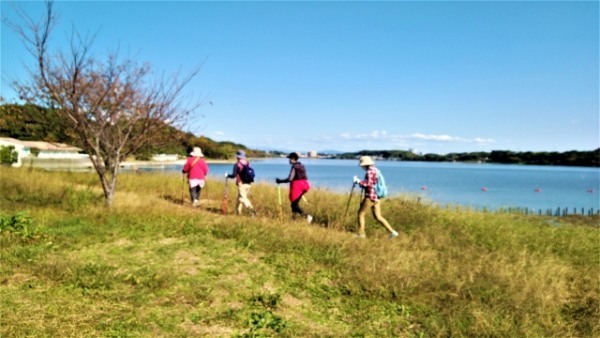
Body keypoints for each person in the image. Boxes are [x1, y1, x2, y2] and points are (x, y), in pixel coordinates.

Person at [353, 156, 398, 238]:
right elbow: (372, 183)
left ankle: (361, 234)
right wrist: (361, 182)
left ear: (364, 165)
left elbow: (368, 184)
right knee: (378, 217)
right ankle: (392, 232)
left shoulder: (370, 172)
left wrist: (358, 181)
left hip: (370, 196)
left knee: (361, 213)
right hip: (377, 197)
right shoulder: (376, 170)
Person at [275, 152, 313, 223]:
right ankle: (293, 220)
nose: (289, 160)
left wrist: (280, 181)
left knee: (294, 204)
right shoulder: (301, 165)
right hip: (305, 185)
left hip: (297, 186)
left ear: (293, 159)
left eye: (289, 159)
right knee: (294, 204)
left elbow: (290, 179)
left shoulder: (294, 167)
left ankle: (307, 216)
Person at [226, 150, 257, 216]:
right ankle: (237, 213)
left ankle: (252, 210)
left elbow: (234, 175)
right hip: (248, 183)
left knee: (242, 198)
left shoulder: (237, 164)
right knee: (239, 198)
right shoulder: (247, 163)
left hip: (241, 184)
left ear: (237, 157)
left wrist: (227, 175)